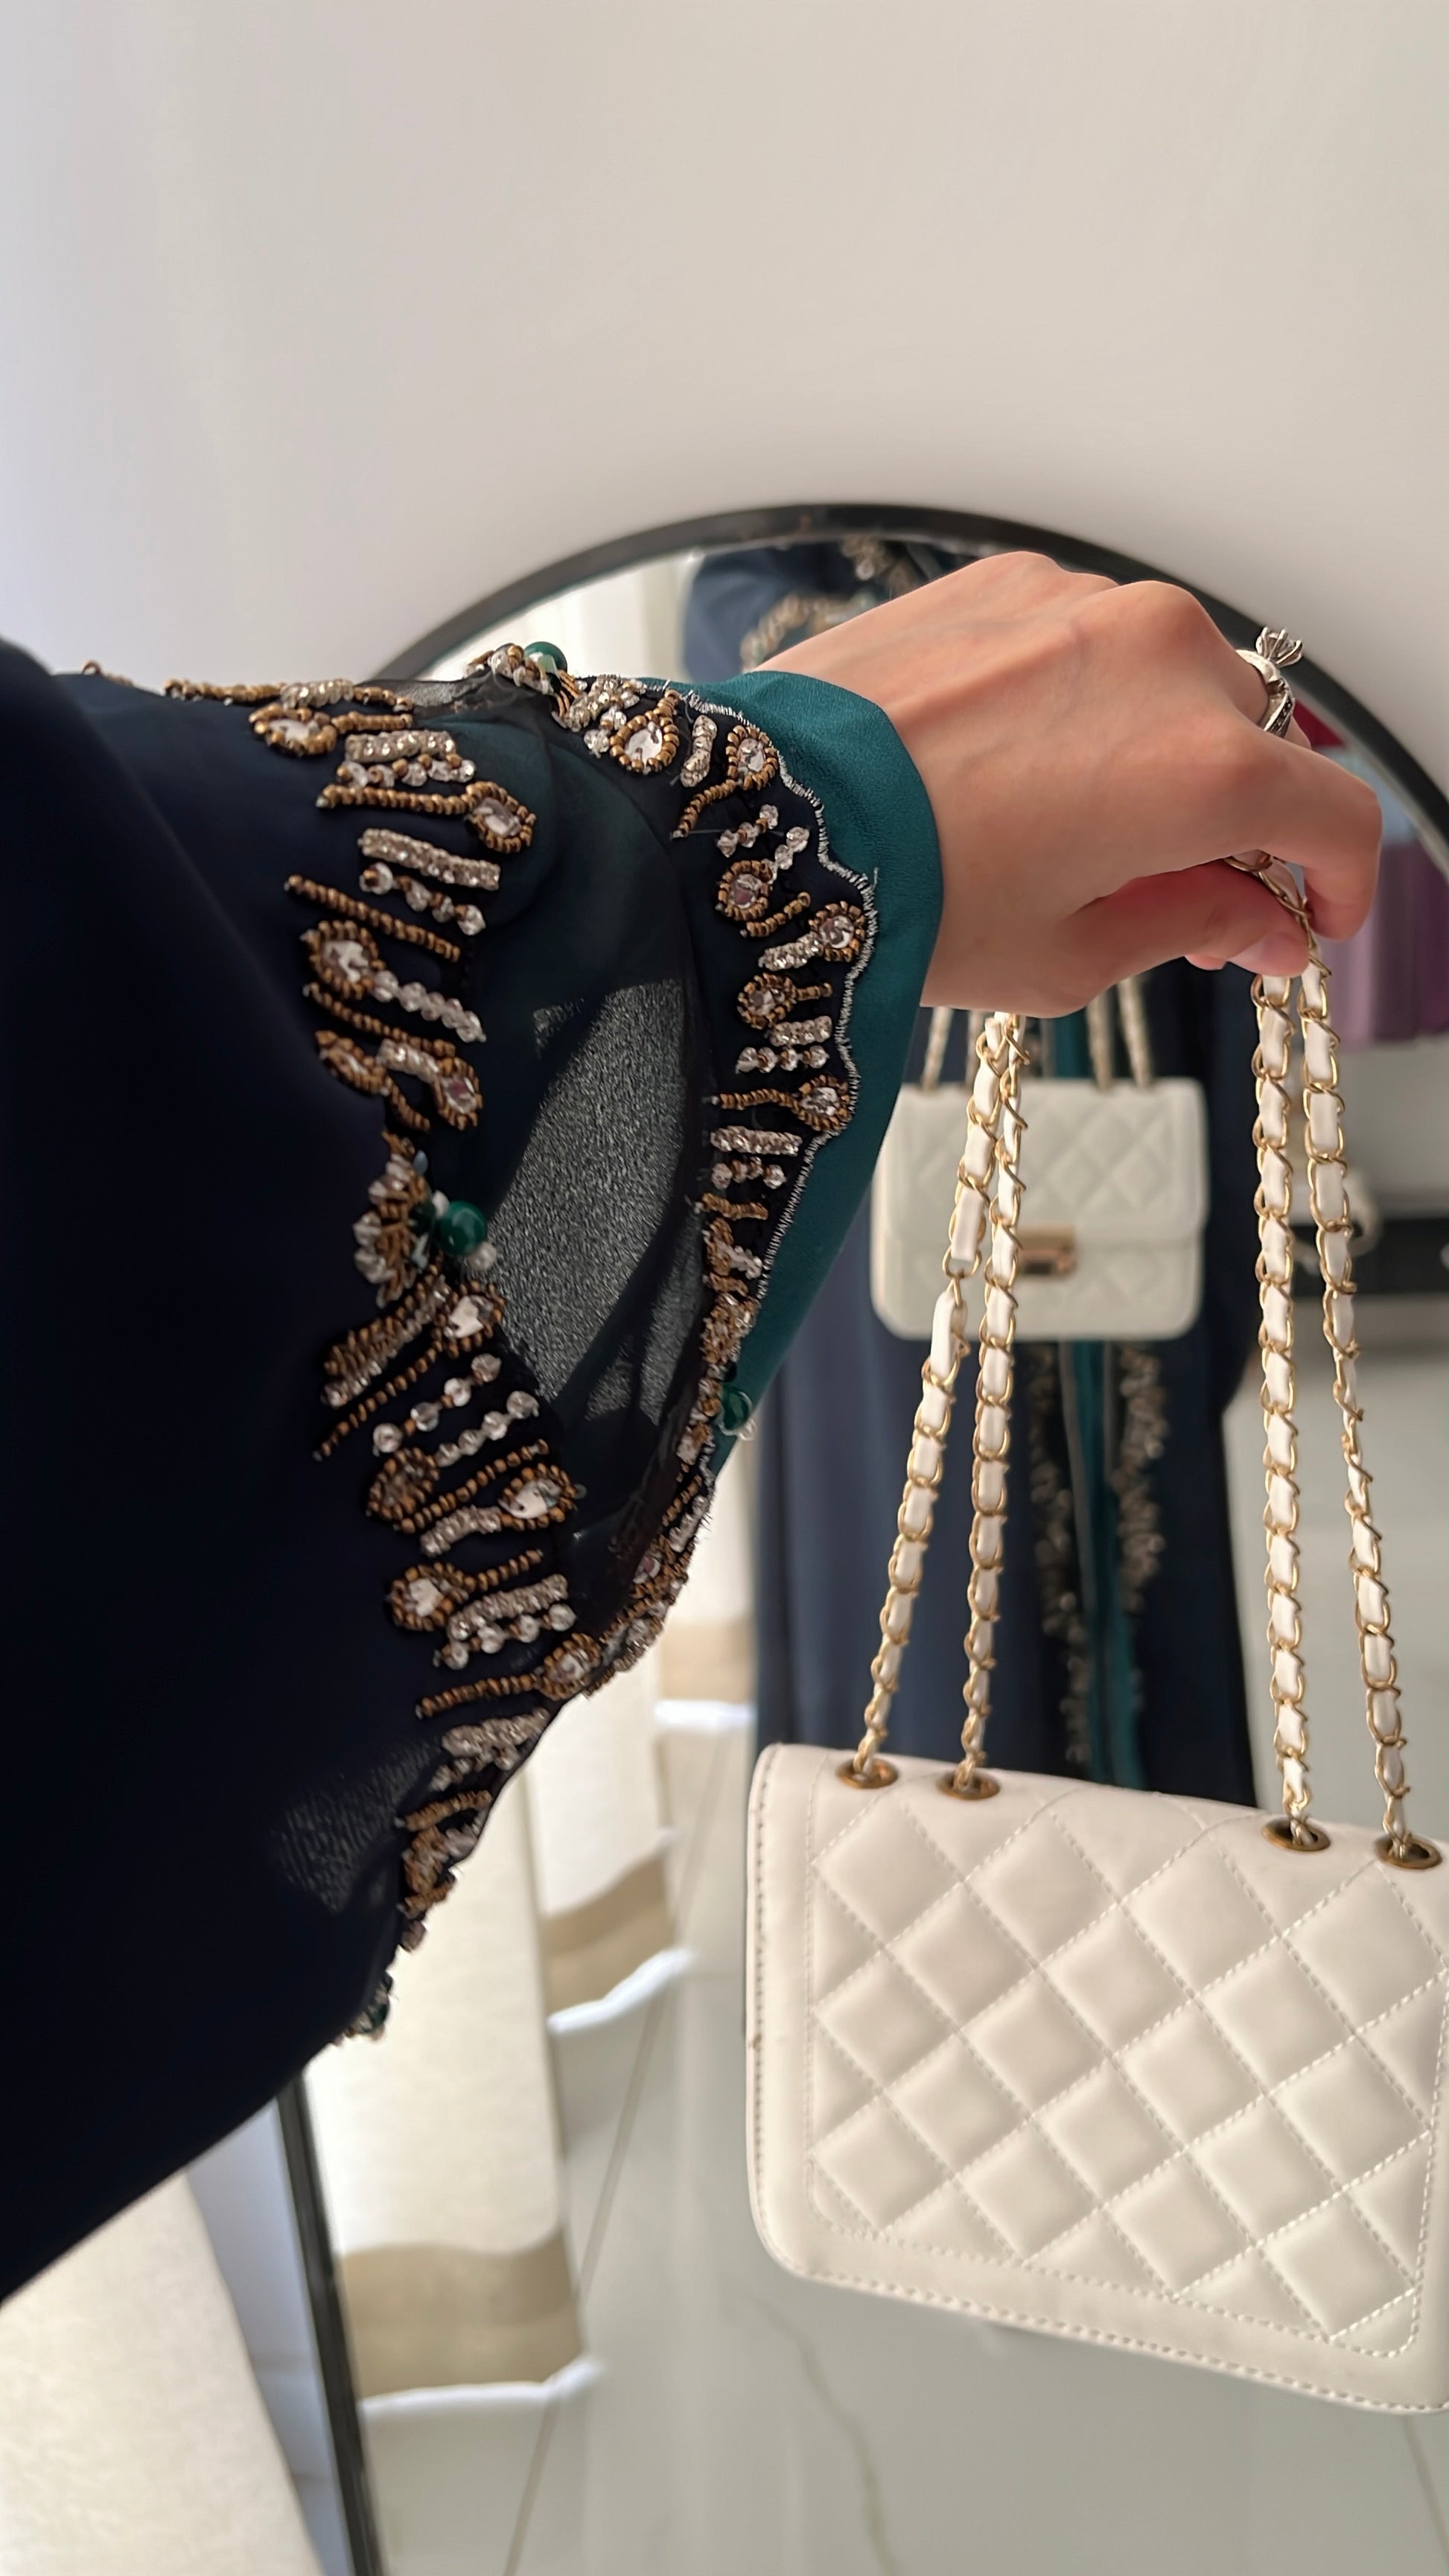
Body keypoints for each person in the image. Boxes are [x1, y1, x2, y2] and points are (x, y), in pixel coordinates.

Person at [0, 554, 1377, 2298]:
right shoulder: (773, 598)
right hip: (863, 1113)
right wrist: (791, 827)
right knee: (894, 1517)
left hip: (984, 991)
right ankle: (944, 2026)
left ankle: (1170, 2009)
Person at [685, 544, 1266, 1798]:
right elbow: (753, 713)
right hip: (879, 1088)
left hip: (1127, 1042)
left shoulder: (1134, 525)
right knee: (914, 1501)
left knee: (1136, 1440)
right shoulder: (779, 545)